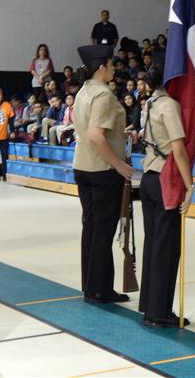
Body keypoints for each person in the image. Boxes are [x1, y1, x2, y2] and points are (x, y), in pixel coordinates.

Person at [72, 45, 133, 304]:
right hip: (102, 169)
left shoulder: (82, 92)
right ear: (101, 68)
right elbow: (96, 135)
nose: (114, 68)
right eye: (111, 64)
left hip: (83, 166)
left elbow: (84, 129)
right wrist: (119, 164)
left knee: (91, 228)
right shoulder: (104, 95)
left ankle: (92, 286)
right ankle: (101, 290)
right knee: (104, 231)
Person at [138, 67, 194, 328]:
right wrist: (189, 184)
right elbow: (178, 148)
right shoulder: (169, 106)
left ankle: (150, 305)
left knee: (153, 242)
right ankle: (159, 312)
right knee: (165, 247)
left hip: (148, 175)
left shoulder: (149, 104)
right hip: (164, 178)